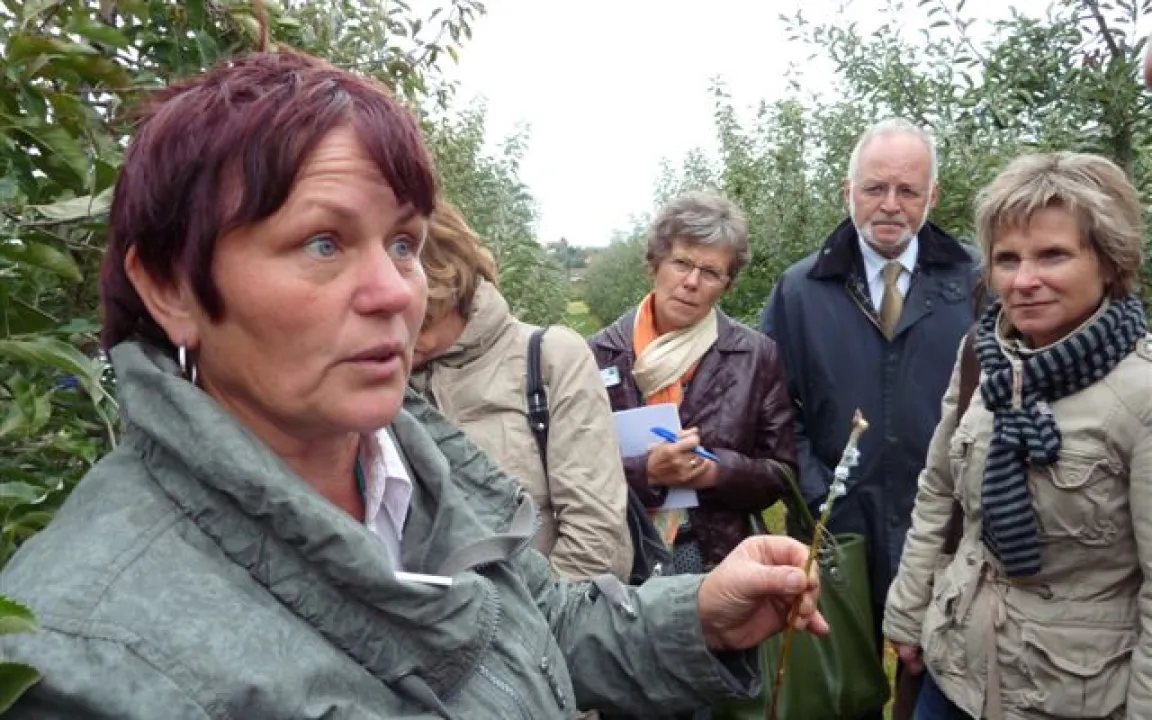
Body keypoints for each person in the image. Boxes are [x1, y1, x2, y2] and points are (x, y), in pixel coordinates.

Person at [0, 42, 830, 720]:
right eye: (322, 242)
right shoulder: (87, 660)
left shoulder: (413, 456)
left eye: (403, 242)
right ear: (171, 287)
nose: (397, 290)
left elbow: (541, 627)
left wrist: (698, 616)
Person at [885, 152, 1152, 720]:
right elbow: (936, 491)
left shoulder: (1141, 394)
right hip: (952, 674)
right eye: (1006, 259)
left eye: (1053, 254)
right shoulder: (980, 359)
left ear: (1108, 261)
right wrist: (907, 612)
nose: (1024, 280)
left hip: (1070, 695)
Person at [759, 118, 981, 715]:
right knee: (841, 681)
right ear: (847, 190)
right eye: (874, 188)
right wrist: (816, 493)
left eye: (908, 191)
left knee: (938, 678)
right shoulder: (800, 290)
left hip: (946, 527)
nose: (890, 206)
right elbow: (776, 408)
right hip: (838, 527)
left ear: (932, 197)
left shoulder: (976, 283)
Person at [409, 200, 632, 583]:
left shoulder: (549, 360)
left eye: (416, 317)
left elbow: (595, 537)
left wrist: (532, 631)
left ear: (450, 287)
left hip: (541, 628)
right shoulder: (380, 379)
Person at [588, 191, 797, 574]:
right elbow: (573, 471)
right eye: (681, 263)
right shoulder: (595, 356)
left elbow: (781, 472)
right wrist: (646, 471)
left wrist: (718, 472)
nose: (692, 282)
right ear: (654, 264)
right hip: (619, 557)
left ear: (727, 285)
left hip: (715, 559)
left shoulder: (754, 356)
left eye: (711, 272)